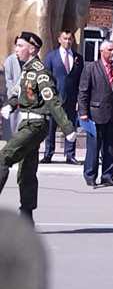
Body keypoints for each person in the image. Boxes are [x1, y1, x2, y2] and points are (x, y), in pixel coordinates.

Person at [0, 32, 77, 220]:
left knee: (4, 158)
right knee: (27, 170)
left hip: (35, 124)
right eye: (16, 45)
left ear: (32, 49)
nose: (16, 50)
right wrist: (10, 105)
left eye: (20, 46)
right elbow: (19, 93)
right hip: (26, 123)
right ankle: (27, 216)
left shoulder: (40, 73)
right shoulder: (27, 70)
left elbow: (52, 101)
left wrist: (67, 128)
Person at [78, 40, 113, 186]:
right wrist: (83, 112)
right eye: (110, 50)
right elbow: (83, 91)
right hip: (95, 113)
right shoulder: (91, 67)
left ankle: (108, 175)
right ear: (102, 51)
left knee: (111, 147)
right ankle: (90, 175)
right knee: (94, 147)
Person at [41, 30, 83, 164]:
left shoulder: (78, 58)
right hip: (54, 99)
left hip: (71, 99)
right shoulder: (51, 57)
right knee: (51, 128)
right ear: (59, 39)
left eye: (70, 39)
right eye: (65, 38)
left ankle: (70, 154)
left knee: (70, 127)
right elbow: (46, 78)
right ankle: (48, 154)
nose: (68, 41)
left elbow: (80, 80)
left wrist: (79, 99)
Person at [3, 37, 28, 136]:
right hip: (13, 98)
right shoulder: (10, 60)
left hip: (26, 100)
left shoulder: (29, 60)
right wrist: (14, 96)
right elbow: (8, 81)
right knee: (12, 128)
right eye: (17, 45)